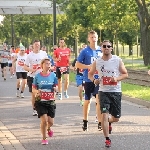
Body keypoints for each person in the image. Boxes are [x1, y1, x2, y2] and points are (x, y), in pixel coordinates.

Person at [89, 40, 128, 147]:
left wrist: (116, 78)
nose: (106, 48)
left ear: (111, 48)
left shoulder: (117, 60)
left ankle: (110, 122)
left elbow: (125, 74)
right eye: (104, 46)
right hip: (103, 92)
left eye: (108, 46)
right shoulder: (97, 62)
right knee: (104, 115)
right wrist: (94, 80)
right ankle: (107, 139)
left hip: (115, 91)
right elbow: (90, 74)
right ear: (101, 48)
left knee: (116, 118)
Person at [76, 30, 102, 131]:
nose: (93, 39)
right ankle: (85, 121)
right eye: (91, 37)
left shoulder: (101, 50)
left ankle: (100, 122)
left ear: (97, 38)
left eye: (95, 37)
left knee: (99, 99)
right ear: (88, 39)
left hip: (99, 80)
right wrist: (88, 66)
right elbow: (77, 64)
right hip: (88, 79)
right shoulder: (85, 51)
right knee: (87, 101)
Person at [32, 58, 57, 145]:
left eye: (49, 64)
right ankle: (44, 138)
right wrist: (37, 92)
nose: (48, 65)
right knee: (44, 120)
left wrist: (55, 89)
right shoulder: (37, 76)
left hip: (50, 101)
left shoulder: (53, 75)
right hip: (40, 101)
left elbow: (56, 87)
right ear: (42, 65)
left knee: (50, 122)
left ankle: (48, 129)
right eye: (46, 63)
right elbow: (33, 88)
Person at [24, 40, 48, 116]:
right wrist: (31, 69)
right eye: (36, 45)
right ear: (33, 45)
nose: (37, 46)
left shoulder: (43, 54)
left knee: (42, 93)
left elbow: (47, 63)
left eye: (38, 45)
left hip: (41, 76)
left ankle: (42, 108)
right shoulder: (30, 55)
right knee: (34, 94)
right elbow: (25, 66)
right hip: (32, 77)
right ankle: (34, 109)